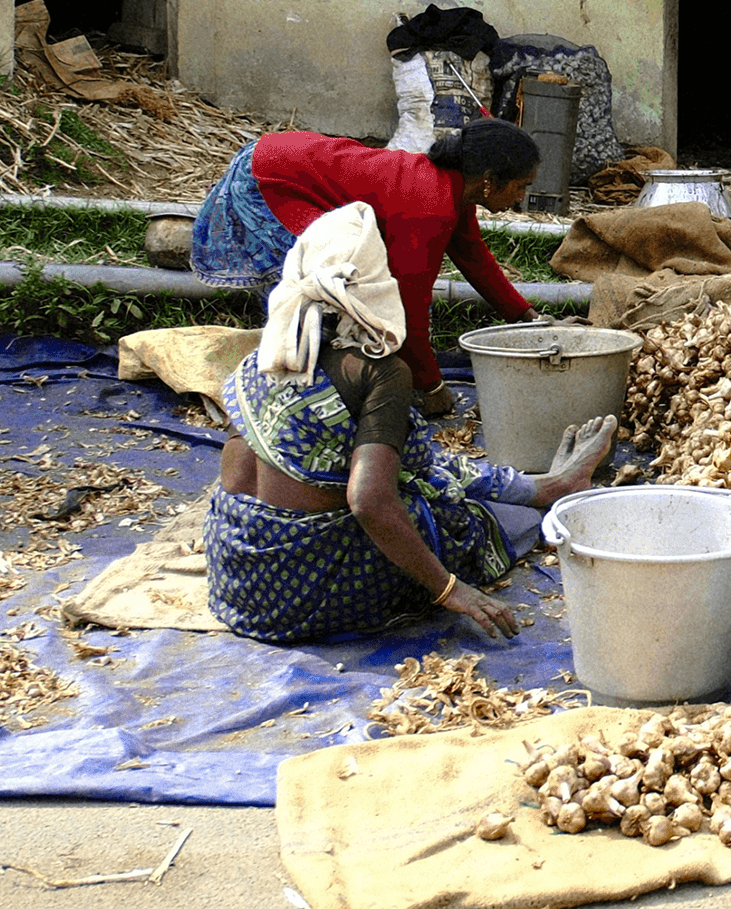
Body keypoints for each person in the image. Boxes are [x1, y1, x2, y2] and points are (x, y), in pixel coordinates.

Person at [203, 202, 616, 644]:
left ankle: (544, 486)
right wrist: (449, 589)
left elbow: (251, 470)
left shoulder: (261, 358)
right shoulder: (374, 369)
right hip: (306, 592)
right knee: (490, 522)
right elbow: (370, 501)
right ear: (375, 282)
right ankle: (545, 491)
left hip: (238, 574)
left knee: (414, 476)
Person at [192, 119, 543, 413]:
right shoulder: (429, 207)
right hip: (271, 178)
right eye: (520, 186)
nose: (520, 198)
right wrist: (432, 388)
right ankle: (283, 390)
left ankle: (317, 374)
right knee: (317, 285)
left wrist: (528, 318)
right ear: (489, 180)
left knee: (346, 289)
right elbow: (409, 306)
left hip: (289, 157)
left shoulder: (455, 191)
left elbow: (474, 256)